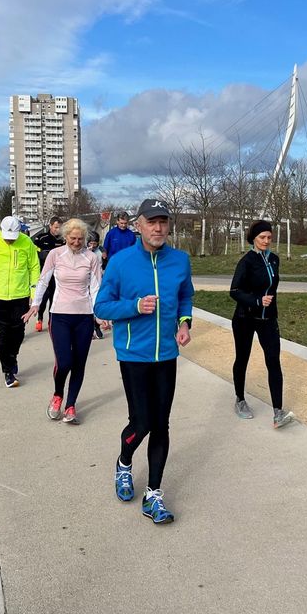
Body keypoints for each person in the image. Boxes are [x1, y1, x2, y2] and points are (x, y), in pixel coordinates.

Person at [94, 198, 194, 525]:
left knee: (161, 423)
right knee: (142, 422)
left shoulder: (180, 260)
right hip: (133, 354)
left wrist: (184, 323)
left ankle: (153, 495)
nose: (158, 227)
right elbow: (102, 307)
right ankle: (124, 464)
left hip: (166, 354)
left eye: (163, 221)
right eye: (152, 221)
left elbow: (185, 297)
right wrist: (135, 306)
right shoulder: (121, 263)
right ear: (138, 225)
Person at [24, 218, 101, 425]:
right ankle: (58, 395)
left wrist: (99, 313)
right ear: (65, 237)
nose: (77, 242)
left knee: (79, 363)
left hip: (84, 316)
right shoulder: (55, 255)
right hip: (60, 315)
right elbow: (43, 280)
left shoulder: (91, 258)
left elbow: (95, 287)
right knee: (65, 361)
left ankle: (71, 405)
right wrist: (35, 305)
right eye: (72, 238)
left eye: (80, 238)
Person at [229, 220, 293, 428]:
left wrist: (268, 306)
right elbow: (235, 291)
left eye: (269, 237)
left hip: (268, 319)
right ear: (253, 239)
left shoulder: (274, 259)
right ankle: (240, 399)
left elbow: (272, 288)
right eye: (262, 237)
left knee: (273, 361)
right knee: (242, 359)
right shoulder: (247, 261)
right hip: (245, 318)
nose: (266, 241)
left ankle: (278, 412)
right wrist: (257, 301)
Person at [0, 215, 40, 388]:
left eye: (13, 238)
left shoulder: (26, 242)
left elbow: (34, 266)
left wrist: (34, 291)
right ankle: (8, 371)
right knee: (4, 332)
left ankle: (12, 357)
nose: (10, 241)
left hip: (20, 295)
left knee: (18, 332)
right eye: (7, 238)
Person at [31, 216, 64, 331]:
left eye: (60, 228)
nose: (58, 230)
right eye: (56, 227)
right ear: (50, 226)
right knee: (43, 298)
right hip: (44, 272)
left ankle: (51, 321)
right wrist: (43, 255)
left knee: (54, 298)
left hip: (58, 274)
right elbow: (33, 253)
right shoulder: (41, 238)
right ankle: (39, 318)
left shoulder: (63, 239)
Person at [87, 232, 105, 339]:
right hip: (86, 282)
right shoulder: (84, 252)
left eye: (95, 244)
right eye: (91, 243)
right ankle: (90, 329)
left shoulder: (100, 252)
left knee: (96, 305)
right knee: (87, 307)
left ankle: (96, 327)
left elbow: (105, 265)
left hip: (98, 281)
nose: (92, 246)